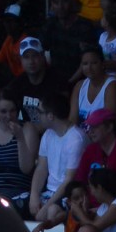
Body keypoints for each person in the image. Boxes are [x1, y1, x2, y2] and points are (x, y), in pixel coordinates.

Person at [28, 92, 85, 222]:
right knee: (15, 205)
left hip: (67, 195)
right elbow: (41, 168)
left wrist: (45, 207)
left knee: (51, 212)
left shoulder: (76, 139)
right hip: (48, 193)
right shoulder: (48, 134)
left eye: (40, 111)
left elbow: (69, 180)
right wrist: (34, 196)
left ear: (50, 116)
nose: (37, 115)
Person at [6, 36, 69, 147]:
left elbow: (62, 116)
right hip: (27, 138)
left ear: (43, 57)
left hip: (54, 136)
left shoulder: (58, 81)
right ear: (21, 60)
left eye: (35, 56)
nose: (31, 61)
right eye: (26, 57)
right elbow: (7, 113)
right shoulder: (16, 84)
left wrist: (30, 129)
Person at [0, 89, 36, 204]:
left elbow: (27, 168)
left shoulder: (27, 129)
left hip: (19, 191)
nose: (8, 116)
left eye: (12, 111)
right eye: (3, 112)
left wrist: (20, 138)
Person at [36, 0, 98, 87]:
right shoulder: (50, 25)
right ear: (52, 5)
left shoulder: (85, 26)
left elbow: (87, 61)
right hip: (54, 79)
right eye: (56, 3)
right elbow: (39, 50)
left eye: (65, 1)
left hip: (81, 80)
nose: (60, 6)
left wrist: (69, 83)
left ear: (72, 3)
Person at [70, 45, 116, 137]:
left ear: (103, 64)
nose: (89, 68)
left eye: (94, 63)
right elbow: (72, 121)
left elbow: (109, 126)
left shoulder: (113, 86)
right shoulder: (79, 86)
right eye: (85, 64)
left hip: (114, 140)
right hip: (86, 141)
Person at [74, 108, 116, 190]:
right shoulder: (90, 150)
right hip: (91, 200)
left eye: (95, 126)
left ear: (109, 127)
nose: (91, 131)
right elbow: (80, 179)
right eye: (90, 127)